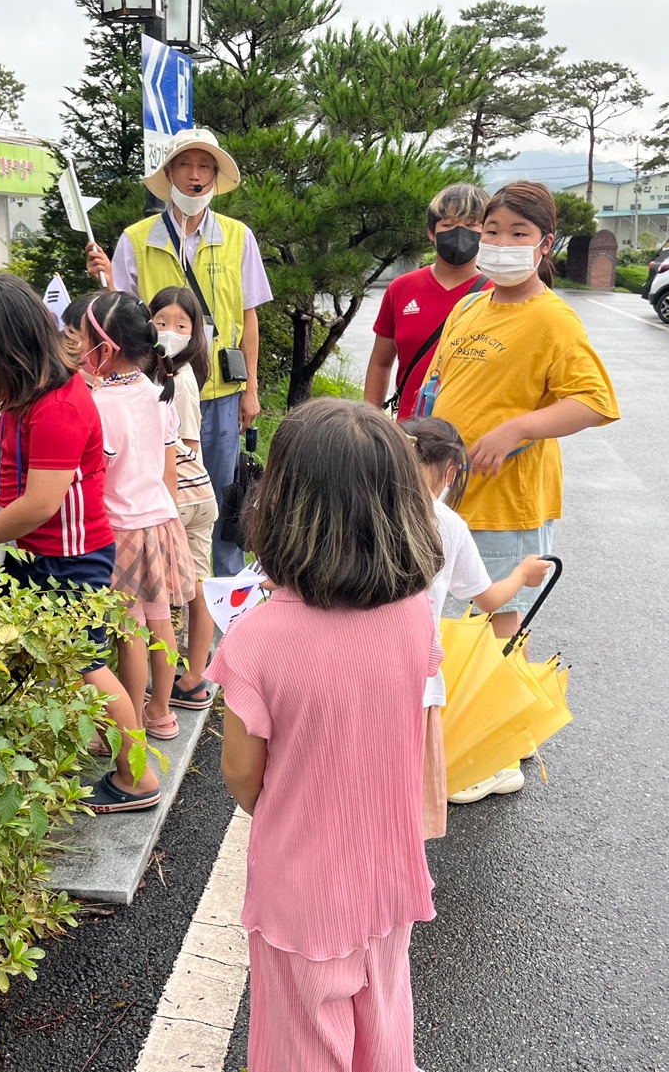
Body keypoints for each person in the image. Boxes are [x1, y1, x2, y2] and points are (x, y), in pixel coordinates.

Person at [208, 399, 442, 1072]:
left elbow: (242, 775)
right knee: (384, 1028)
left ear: (280, 504)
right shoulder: (415, 615)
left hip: (302, 890)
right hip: (388, 871)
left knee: (301, 1047)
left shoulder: (257, 640)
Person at [0, 274, 160, 814]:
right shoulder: (23, 396)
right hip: (32, 551)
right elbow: (8, 473)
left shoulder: (59, 406)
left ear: (4, 347)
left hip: (70, 556)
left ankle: (138, 776)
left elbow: (41, 502)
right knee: (24, 648)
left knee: (87, 663)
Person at [426, 179, 619, 658]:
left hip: (506, 500)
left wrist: (516, 428)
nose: (501, 243)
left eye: (518, 233)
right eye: (492, 231)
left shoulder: (553, 318)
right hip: (446, 492)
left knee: (500, 623)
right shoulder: (469, 306)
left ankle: (503, 708)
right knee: (434, 615)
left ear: (545, 243)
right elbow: (437, 387)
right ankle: (447, 705)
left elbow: (593, 401)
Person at [85, 128, 272, 575]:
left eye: (205, 165)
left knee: (221, 494)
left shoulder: (238, 236)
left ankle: (224, 588)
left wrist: (251, 389)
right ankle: (169, 584)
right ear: (168, 173)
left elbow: (248, 317)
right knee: (159, 488)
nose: (194, 174)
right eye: (185, 164)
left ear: (215, 176)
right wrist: (106, 282)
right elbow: (120, 315)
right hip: (158, 391)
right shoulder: (136, 238)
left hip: (222, 390)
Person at [403, 417, 552, 820]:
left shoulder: (365, 507)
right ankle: (485, 769)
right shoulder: (447, 523)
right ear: (451, 473)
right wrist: (522, 574)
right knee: (412, 769)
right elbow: (489, 600)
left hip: (357, 663)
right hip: (416, 671)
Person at [69, 291, 198, 749]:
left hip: (119, 529)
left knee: (129, 633)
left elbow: (95, 478)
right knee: (160, 622)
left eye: (81, 339)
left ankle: (131, 728)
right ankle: (161, 712)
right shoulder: (156, 390)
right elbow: (167, 468)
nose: (76, 348)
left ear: (104, 349)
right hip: (160, 521)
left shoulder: (100, 404)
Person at [363, 183, 492, 420]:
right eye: (448, 225)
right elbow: (381, 363)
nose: (459, 233)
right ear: (432, 232)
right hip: (409, 429)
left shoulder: (497, 294)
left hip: (471, 430)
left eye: (471, 224)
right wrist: (371, 421)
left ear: (486, 233)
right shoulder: (401, 288)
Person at [150, 285, 217, 712]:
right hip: (197, 494)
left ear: (195, 333)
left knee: (178, 590)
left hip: (182, 496)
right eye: (161, 322)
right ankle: (193, 676)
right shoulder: (166, 371)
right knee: (196, 585)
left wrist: (172, 505)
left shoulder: (180, 378)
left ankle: (185, 679)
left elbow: (187, 445)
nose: (169, 332)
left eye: (180, 325)